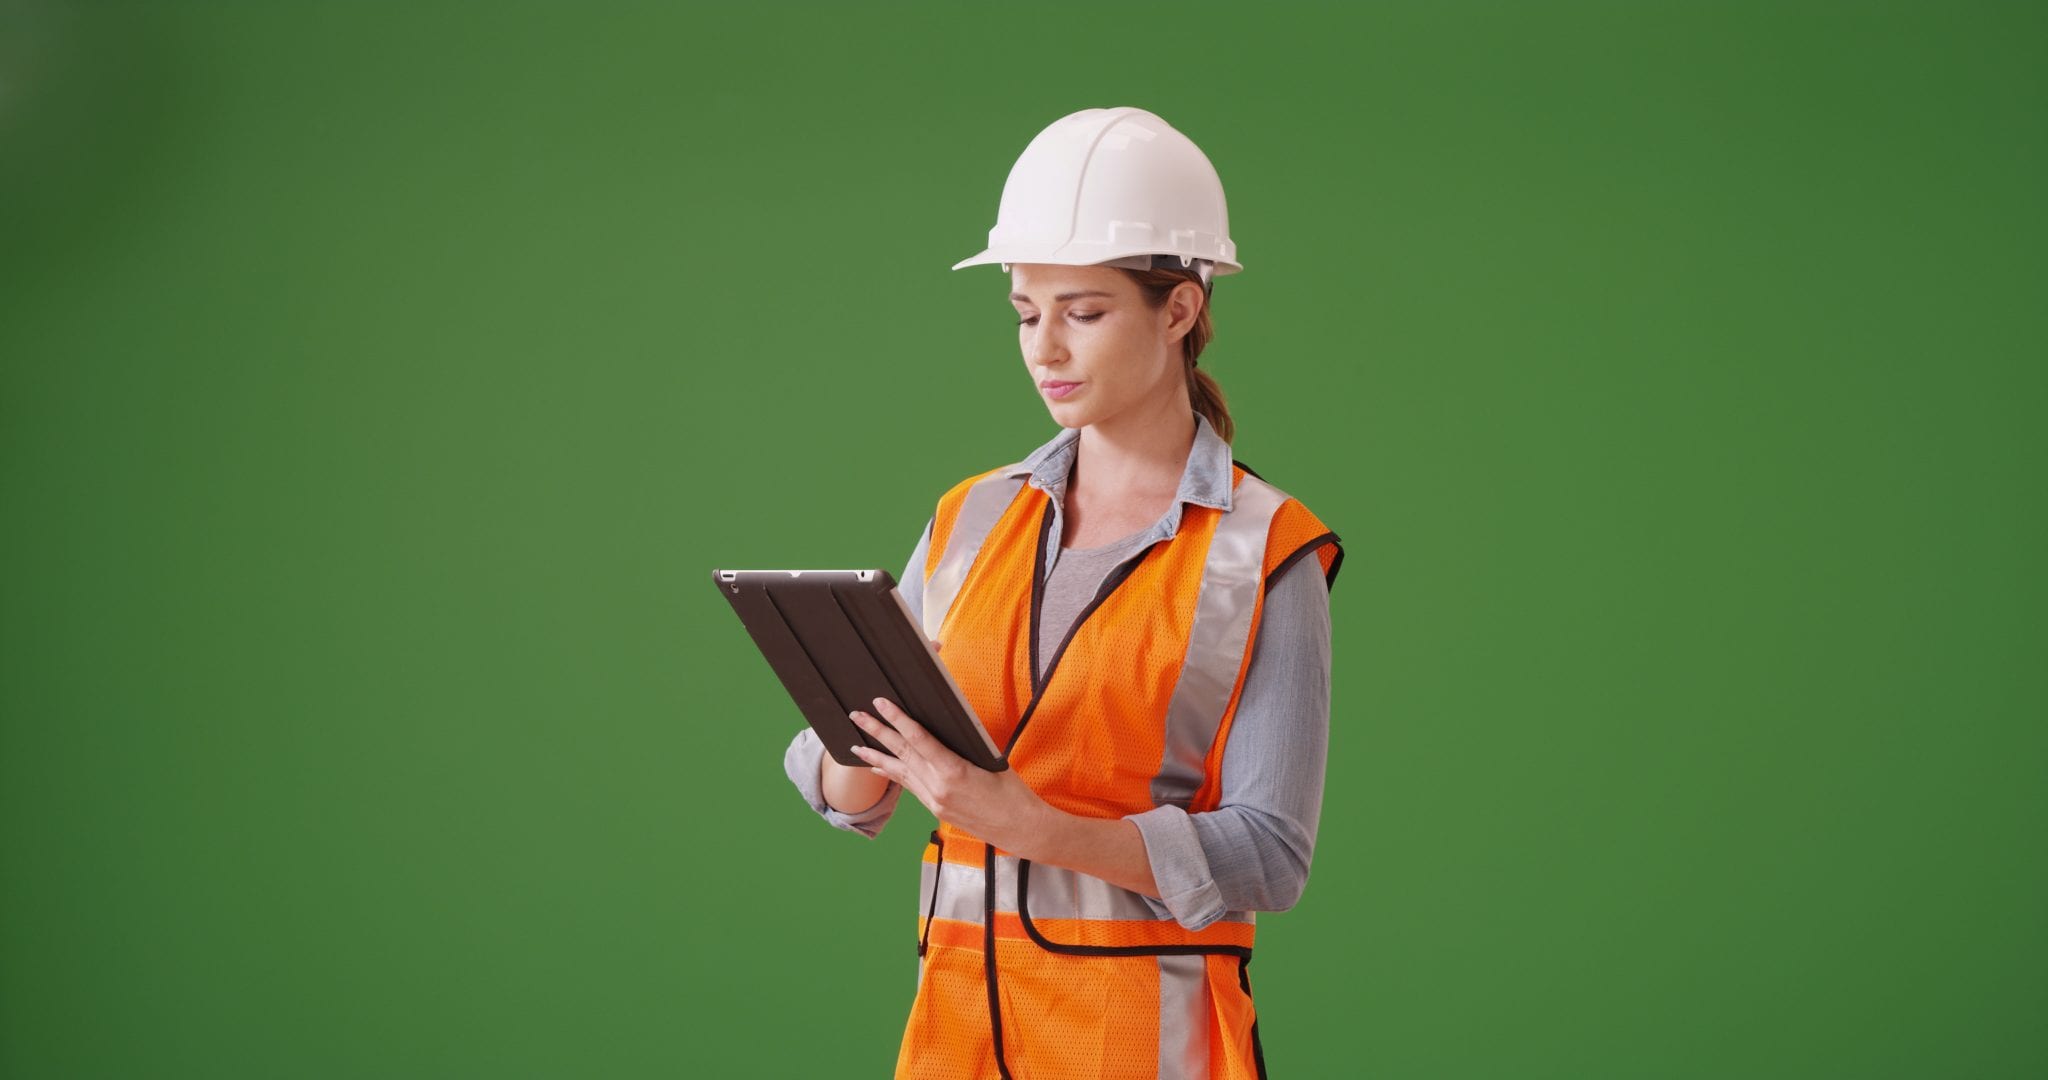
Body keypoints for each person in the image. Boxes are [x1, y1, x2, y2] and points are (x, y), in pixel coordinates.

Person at [781, 106, 1342, 1080]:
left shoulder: (1264, 551)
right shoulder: (970, 517)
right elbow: (844, 789)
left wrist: (1030, 825)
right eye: (1024, 313)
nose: (1043, 349)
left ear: (1178, 310)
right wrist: (861, 743)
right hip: (956, 1039)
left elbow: (1269, 856)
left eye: (1082, 313)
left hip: (1138, 1045)